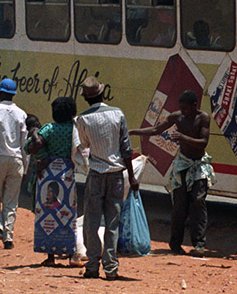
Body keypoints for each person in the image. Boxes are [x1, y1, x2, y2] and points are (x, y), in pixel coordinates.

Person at [131, 89, 213, 256]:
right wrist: (133, 132)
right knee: (179, 205)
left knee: (198, 201)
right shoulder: (177, 117)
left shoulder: (203, 118)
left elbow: (203, 142)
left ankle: (199, 244)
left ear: (194, 105)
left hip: (198, 165)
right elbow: (156, 129)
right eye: (181, 108)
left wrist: (183, 138)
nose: (183, 111)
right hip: (182, 164)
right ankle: (175, 244)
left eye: (186, 108)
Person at [74, 77, 138, 280]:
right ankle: (111, 268)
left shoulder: (82, 119)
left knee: (92, 222)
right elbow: (126, 149)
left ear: (86, 98)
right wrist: (133, 177)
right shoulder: (118, 114)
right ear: (103, 93)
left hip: (96, 174)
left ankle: (92, 266)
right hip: (117, 175)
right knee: (112, 222)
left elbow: (84, 145)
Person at [27, 97, 82, 267]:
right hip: (67, 174)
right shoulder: (75, 129)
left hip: (48, 174)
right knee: (68, 212)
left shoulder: (49, 128)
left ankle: (50, 256)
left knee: (47, 212)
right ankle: (72, 254)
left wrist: (35, 134)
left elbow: (32, 147)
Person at [0, 78, 28, 250]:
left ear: (0, 92)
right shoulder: (21, 113)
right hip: (17, 159)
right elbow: (24, 143)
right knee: (11, 200)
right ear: (13, 94)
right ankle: (8, 237)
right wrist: (25, 166)